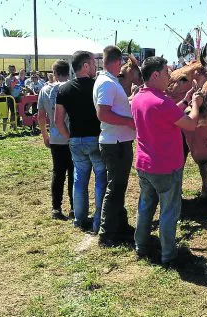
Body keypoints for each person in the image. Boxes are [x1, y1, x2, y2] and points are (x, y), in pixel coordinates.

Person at [131, 56, 201, 266]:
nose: (170, 77)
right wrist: (196, 104)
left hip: (144, 165)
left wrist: (186, 99)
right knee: (169, 211)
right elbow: (190, 124)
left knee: (145, 207)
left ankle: (141, 246)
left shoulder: (139, 98)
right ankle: (168, 254)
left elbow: (168, 115)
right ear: (155, 75)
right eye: (167, 72)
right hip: (166, 167)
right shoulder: (162, 101)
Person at [55, 51, 105, 234]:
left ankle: (79, 218)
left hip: (76, 140)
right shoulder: (97, 86)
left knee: (79, 180)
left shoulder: (64, 89)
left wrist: (69, 138)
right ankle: (98, 220)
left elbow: (58, 120)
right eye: (92, 64)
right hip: (96, 139)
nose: (95, 67)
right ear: (85, 66)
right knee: (100, 179)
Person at [91, 46, 137, 246]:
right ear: (118, 62)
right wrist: (128, 121)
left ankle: (119, 225)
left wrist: (130, 100)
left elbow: (113, 107)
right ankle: (106, 233)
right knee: (115, 188)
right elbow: (103, 113)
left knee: (118, 187)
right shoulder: (108, 83)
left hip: (117, 141)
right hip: (115, 143)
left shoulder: (107, 81)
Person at [38, 60, 74, 220]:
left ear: (54, 73)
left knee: (58, 173)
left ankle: (56, 207)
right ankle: (75, 207)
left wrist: (45, 136)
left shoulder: (44, 90)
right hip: (72, 136)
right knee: (74, 174)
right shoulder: (72, 87)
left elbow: (40, 117)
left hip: (55, 138)